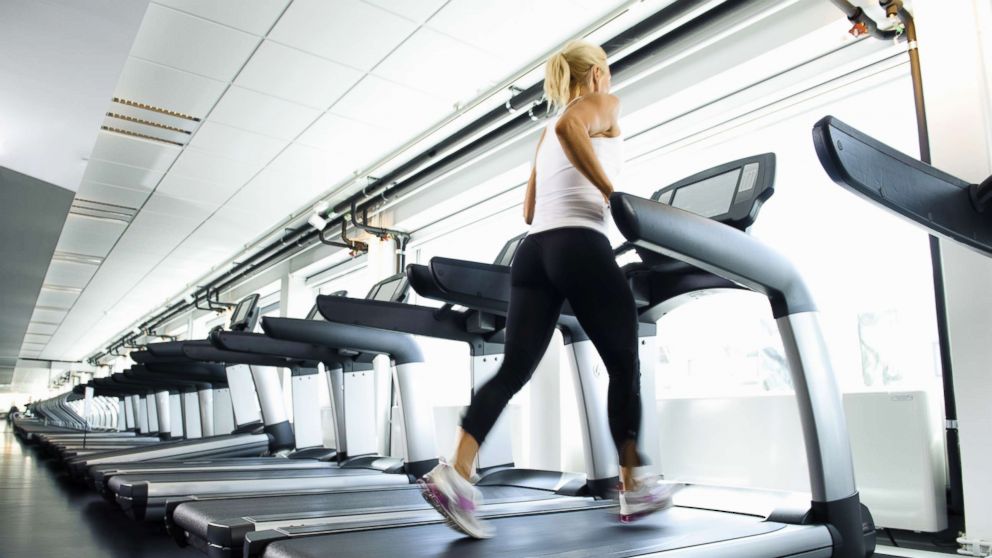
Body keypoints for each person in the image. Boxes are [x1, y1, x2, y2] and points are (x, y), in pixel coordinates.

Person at [419, 40, 677, 539]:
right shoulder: (602, 104)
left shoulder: (545, 136)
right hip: (581, 241)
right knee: (624, 362)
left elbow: (530, 211)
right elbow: (569, 125)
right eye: (608, 71)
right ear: (598, 72)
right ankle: (633, 484)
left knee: (514, 369)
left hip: (534, 252)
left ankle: (456, 473)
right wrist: (612, 195)